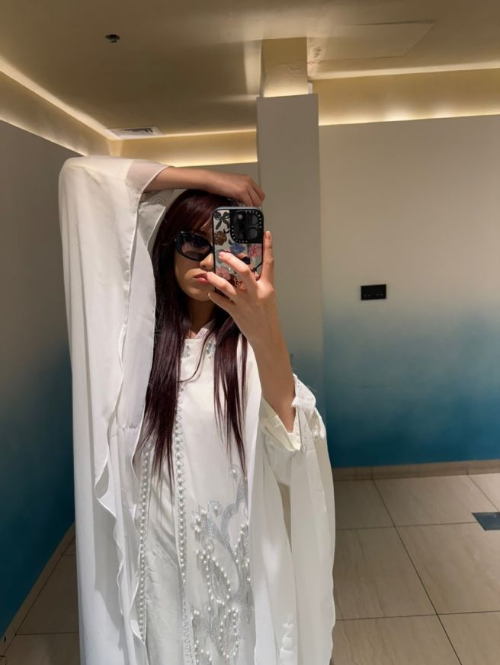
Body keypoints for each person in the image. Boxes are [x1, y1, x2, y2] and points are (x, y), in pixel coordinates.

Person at [57, 155, 336, 665]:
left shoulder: (247, 355)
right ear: (169, 249)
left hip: (229, 585)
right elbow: (80, 177)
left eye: (221, 245)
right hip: (158, 575)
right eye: (193, 243)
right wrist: (207, 177)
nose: (207, 261)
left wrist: (265, 324)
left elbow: (295, 446)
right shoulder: (131, 353)